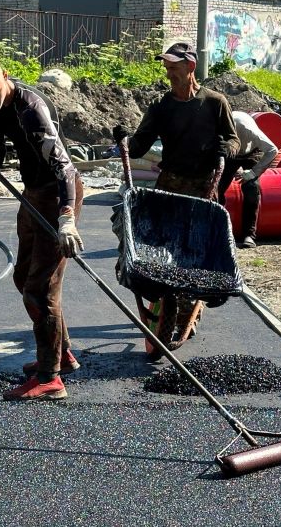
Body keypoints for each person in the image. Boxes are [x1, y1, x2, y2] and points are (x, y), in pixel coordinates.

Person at [0, 52, 84, 401]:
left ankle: (50, 378)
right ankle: (61, 352)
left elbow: (62, 167)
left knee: (40, 289)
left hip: (57, 194)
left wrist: (66, 219)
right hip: (33, 193)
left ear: (6, 74)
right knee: (23, 277)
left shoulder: (32, 110)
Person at [112, 41, 239, 352]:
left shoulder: (214, 103)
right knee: (163, 247)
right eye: (166, 67)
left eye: (174, 66)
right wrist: (123, 141)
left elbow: (233, 139)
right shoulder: (161, 107)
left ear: (190, 67)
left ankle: (189, 309)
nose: (168, 72)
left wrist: (228, 149)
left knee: (194, 249)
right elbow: (140, 144)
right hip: (170, 183)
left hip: (203, 187)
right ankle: (167, 300)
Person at [218, 111, 279, 249]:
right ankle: (219, 232)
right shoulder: (217, 127)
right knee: (216, 189)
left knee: (251, 188)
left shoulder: (248, 130)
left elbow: (272, 150)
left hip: (251, 151)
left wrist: (252, 173)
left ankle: (249, 235)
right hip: (229, 154)